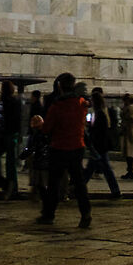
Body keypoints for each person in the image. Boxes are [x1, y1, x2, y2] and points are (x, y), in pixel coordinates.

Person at [34, 72, 94, 228]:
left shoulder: (57, 106)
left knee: (54, 184)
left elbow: (47, 129)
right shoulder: (81, 103)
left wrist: (41, 126)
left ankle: (48, 214)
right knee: (79, 183)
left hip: (59, 147)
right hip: (77, 147)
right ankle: (86, 214)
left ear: (60, 86)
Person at [85, 85, 123, 199]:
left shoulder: (100, 114)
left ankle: (78, 189)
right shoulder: (98, 113)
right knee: (96, 170)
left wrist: (90, 129)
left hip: (99, 146)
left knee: (98, 170)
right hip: (99, 146)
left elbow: (100, 131)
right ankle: (115, 191)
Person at [0, 81, 24, 198]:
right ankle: (12, 186)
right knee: (10, 161)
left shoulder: (4, 101)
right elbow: (19, 119)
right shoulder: (15, 101)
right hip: (12, 132)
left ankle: (7, 184)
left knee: (1, 158)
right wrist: (19, 134)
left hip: (5, 133)